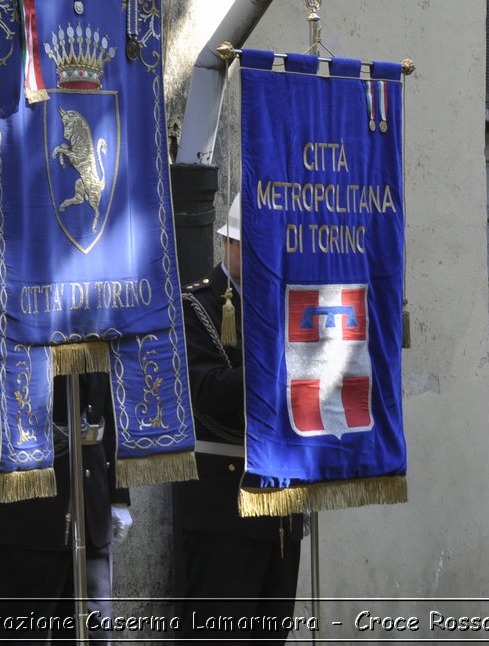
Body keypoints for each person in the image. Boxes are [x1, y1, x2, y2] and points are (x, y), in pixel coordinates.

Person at [0, 277, 133, 644]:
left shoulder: (91, 293)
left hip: (91, 502)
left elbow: (109, 399)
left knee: (92, 636)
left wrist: (119, 493)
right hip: (29, 508)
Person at [171, 194, 303, 642]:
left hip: (281, 501)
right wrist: (275, 366)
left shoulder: (286, 305)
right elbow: (206, 392)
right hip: (223, 504)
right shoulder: (197, 305)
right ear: (229, 245)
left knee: (272, 633)